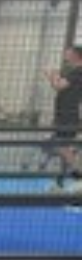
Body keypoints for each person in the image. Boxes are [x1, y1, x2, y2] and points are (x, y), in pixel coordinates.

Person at [41, 44, 82, 189]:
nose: (66, 54)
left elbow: (59, 86)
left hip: (68, 116)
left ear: (76, 55)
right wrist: (55, 76)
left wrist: (51, 75)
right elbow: (60, 85)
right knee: (64, 147)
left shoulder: (77, 71)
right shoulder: (73, 71)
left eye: (68, 52)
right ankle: (63, 178)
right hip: (65, 115)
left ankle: (78, 172)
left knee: (61, 146)